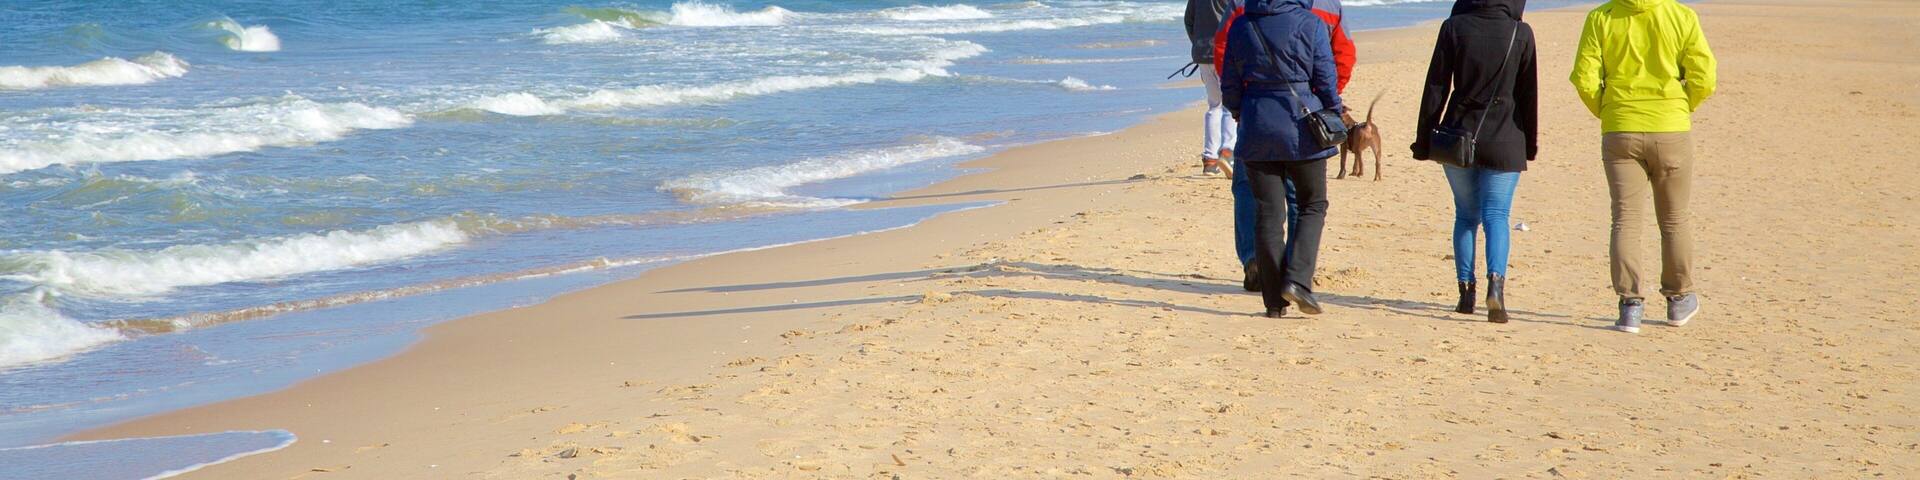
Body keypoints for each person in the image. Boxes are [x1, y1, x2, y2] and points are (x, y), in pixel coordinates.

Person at [1570, 0, 1716, 333]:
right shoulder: (1680, 16)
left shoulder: (1601, 18)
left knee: (1625, 218)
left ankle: (1630, 306)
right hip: (1670, 127)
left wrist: (1609, 111)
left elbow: (1584, 78)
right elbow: (1704, 77)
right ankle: (1679, 299)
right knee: (1674, 218)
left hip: (1621, 126)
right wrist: (1681, 106)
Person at [1214, 0, 1354, 298]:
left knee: (1258, 202)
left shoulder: (1241, 11)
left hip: (1256, 120)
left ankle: (1259, 267)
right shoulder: (1322, 12)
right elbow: (1339, 60)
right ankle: (1294, 275)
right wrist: (1327, 107)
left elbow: (1224, 61)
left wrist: (1240, 109)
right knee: (1305, 202)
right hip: (1304, 121)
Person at [1409, 0, 1538, 324]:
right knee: (1497, 215)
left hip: (1457, 136)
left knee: (1466, 215)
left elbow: (1436, 88)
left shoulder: (1454, 27)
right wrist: (1530, 144)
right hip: (1506, 138)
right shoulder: (1520, 32)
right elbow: (1528, 94)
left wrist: (1424, 140)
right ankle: (1496, 288)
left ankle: (1466, 294)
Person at [1186, 0, 1240, 177]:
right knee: (1228, 105)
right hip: (1224, 52)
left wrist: (1197, 44)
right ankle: (1227, 151)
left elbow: (1189, 20)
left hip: (1202, 53)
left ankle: (1209, 159)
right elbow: (1239, 18)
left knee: (1214, 105)